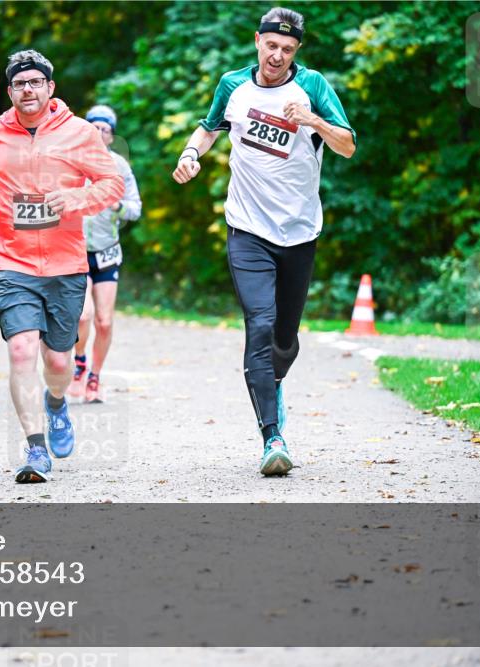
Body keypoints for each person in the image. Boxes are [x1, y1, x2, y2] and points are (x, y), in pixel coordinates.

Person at [172, 6, 356, 476]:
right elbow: (209, 127)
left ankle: (272, 388)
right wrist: (191, 153)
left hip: (298, 232)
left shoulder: (312, 86)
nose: (277, 56)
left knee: (285, 340)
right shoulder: (233, 85)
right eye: (271, 46)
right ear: (258, 41)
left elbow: (348, 145)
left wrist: (314, 121)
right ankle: (272, 437)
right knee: (259, 323)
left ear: (297, 51)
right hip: (247, 228)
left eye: (287, 49)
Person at [0, 49, 124, 483]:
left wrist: (76, 198)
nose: (26, 90)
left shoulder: (80, 133)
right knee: (20, 350)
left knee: (57, 362)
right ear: (9, 90)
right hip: (12, 263)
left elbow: (112, 185)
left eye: (35, 82)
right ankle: (35, 450)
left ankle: (56, 404)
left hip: (66, 266)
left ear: (50, 88)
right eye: (18, 83)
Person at [67, 104, 142, 404]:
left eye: (105, 130)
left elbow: (135, 207)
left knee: (105, 321)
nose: (98, 133)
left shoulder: (119, 167)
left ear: (111, 137)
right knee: (82, 316)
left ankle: (94, 377)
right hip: (76, 251)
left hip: (108, 252)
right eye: (93, 128)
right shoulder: (72, 163)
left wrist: (117, 207)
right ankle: (80, 360)